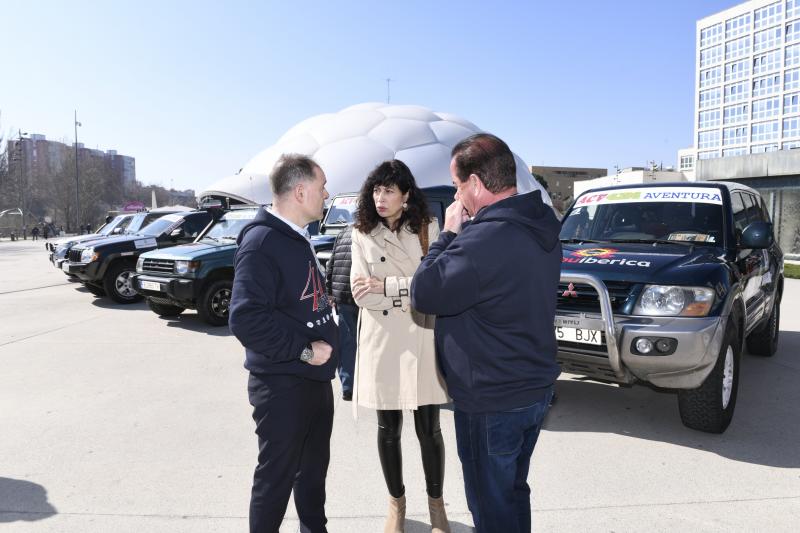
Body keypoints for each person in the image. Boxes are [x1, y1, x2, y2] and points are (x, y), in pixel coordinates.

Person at [411, 133, 562, 533]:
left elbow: (423, 292)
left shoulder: (481, 240)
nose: (458, 195)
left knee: (491, 508)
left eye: (458, 186)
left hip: (492, 399)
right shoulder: (542, 225)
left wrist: (447, 234)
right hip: (531, 389)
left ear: (476, 184)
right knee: (513, 492)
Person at [229, 153, 337, 533]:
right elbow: (245, 318)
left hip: (313, 382)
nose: (327, 194)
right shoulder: (261, 243)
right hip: (282, 385)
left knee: (312, 476)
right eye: (322, 188)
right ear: (301, 190)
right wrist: (305, 351)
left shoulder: (297, 237)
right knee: (275, 480)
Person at [350, 159, 450, 533]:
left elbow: (434, 285)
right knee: (387, 428)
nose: (381, 197)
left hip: (421, 334)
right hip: (382, 340)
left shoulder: (428, 229)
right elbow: (362, 295)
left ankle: (437, 507)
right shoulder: (361, 231)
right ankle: (396, 505)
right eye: (376, 190)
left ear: (406, 196)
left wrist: (387, 287)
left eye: (389, 190)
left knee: (429, 429)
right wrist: (407, 288)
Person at [324, 225, 357, 401]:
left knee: (347, 343)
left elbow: (332, 263)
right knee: (368, 343)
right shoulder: (372, 231)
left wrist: (329, 292)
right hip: (361, 296)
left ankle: (348, 387)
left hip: (341, 295)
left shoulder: (344, 231)